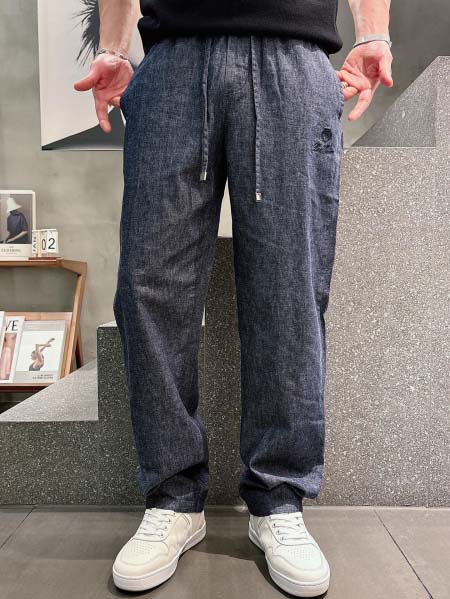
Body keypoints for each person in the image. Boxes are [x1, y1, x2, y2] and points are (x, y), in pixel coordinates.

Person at [74, 0, 393, 596]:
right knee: (151, 290)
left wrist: (374, 34)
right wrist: (114, 48)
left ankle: (279, 499)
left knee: (290, 291)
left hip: (291, 56)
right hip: (172, 59)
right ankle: (173, 498)